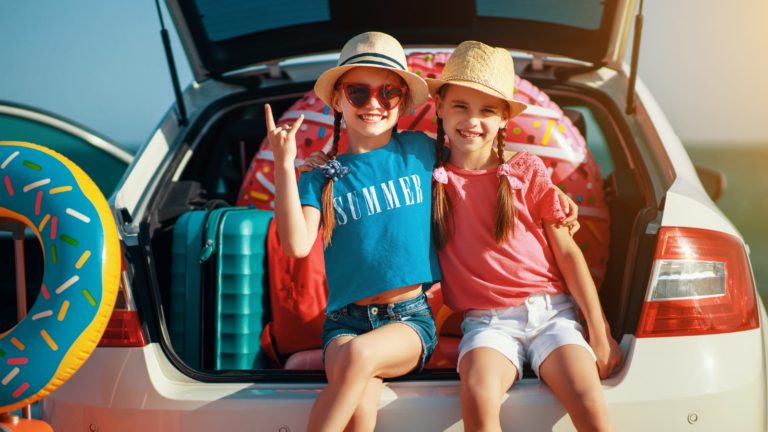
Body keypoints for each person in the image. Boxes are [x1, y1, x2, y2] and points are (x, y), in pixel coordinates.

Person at [428, 41, 623, 431]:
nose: (472, 120)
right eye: (460, 106)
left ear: (504, 118)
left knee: (587, 399)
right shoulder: (429, 178)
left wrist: (599, 332)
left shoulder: (525, 170)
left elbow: (568, 255)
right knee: (478, 395)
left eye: (487, 110)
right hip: (487, 324)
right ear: (440, 108)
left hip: (553, 315)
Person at [267, 31, 440, 432]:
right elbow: (295, 245)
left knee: (359, 360)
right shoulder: (322, 176)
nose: (374, 104)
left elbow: (482, 157)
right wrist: (283, 163)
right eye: (359, 93)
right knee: (360, 402)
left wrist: (542, 184)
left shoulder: (421, 150)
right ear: (338, 100)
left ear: (401, 100)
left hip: (409, 320)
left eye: (388, 93)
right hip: (344, 325)